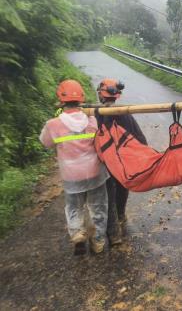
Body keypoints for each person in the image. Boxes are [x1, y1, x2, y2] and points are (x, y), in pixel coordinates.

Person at [39, 80, 109, 255]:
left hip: (71, 176)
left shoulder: (52, 125)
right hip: (94, 172)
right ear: (81, 100)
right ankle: (98, 241)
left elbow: (45, 143)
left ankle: (77, 232)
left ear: (61, 100)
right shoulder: (92, 120)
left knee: (73, 207)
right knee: (98, 207)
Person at [96, 78, 148, 245]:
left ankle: (114, 233)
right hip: (123, 162)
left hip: (107, 162)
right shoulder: (125, 113)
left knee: (108, 193)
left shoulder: (96, 114)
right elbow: (140, 138)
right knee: (122, 186)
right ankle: (121, 215)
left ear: (101, 95)